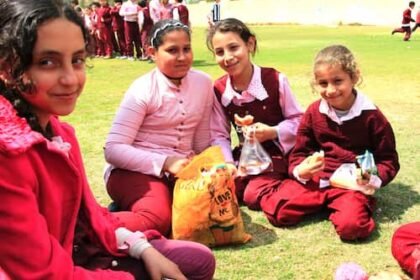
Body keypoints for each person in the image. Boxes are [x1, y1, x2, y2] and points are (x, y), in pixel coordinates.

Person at [0, 1, 216, 279]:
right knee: (157, 217)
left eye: (77, 60)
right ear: (7, 67)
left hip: (80, 247)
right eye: (47, 62)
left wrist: (142, 248)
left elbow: (88, 212)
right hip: (59, 260)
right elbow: (42, 272)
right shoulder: (9, 153)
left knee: (197, 260)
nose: (70, 79)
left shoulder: (60, 133)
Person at [258, 44, 400, 241]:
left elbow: (388, 160)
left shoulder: (372, 116)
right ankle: (324, 203)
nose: (331, 90)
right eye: (323, 83)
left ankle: (350, 206)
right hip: (319, 179)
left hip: (352, 184)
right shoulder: (313, 112)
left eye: (338, 81)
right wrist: (302, 170)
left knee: (352, 227)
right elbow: (299, 152)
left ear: (354, 77)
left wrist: (372, 177)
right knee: (277, 211)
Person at [104, 19, 215, 236]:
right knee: (158, 219)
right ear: (152, 52)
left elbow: (201, 140)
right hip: (133, 171)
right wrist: (165, 163)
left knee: (212, 210)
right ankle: (83, 227)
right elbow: (113, 149)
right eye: (172, 50)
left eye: (187, 49)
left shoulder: (203, 83)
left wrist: (208, 166)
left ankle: (129, 209)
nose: (182, 57)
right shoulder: (143, 88)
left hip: (181, 170)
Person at [207, 18, 303, 212]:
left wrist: (273, 131)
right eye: (219, 52)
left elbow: (299, 120)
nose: (227, 57)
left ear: (250, 44)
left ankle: (295, 186)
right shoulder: (218, 89)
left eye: (234, 47)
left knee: (252, 196)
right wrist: (228, 164)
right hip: (246, 156)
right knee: (230, 190)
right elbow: (219, 134)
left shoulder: (274, 80)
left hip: (277, 152)